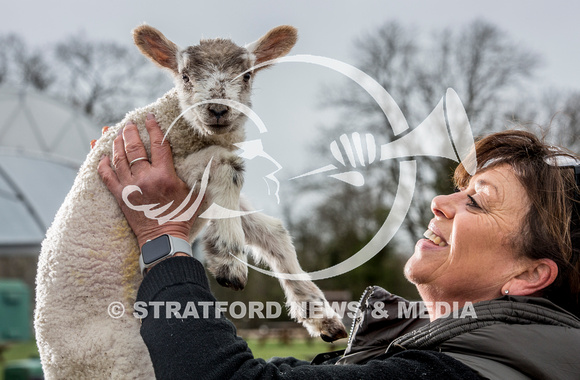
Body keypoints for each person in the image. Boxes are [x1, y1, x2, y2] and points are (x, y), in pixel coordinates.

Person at [98, 115, 580, 379]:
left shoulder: (464, 373)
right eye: (461, 186)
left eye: (476, 201)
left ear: (530, 275)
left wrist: (162, 240)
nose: (439, 201)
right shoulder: (440, 348)